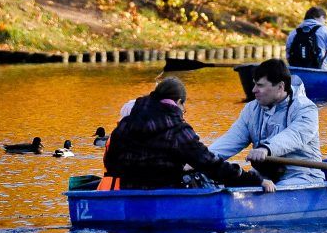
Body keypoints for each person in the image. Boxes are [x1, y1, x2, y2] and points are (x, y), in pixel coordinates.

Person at [101, 76, 275, 192]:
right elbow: (211, 165)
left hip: (127, 192)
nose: (184, 111)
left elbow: (110, 162)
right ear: (178, 102)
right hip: (167, 195)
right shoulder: (178, 130)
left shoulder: (124, 125)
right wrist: (254, 179)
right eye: (184, 107)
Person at [209, 59, 324, 186]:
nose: (253, 90)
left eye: (260, 85)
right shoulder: (251, 109)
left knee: (273, 190)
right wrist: (203, 159)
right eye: (254, 84)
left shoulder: (306, 109)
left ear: (280, 87)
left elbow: (294, 136)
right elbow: (231, 139)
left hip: (303, 175)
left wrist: (266, 149)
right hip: (265, 175)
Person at [286, 6, 327, 70]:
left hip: (297, 73)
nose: (325, 23)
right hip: (320, 73)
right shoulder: (324, 30)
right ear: (322, 17)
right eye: (325, 21)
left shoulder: (294, 32)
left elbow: (288, 55)